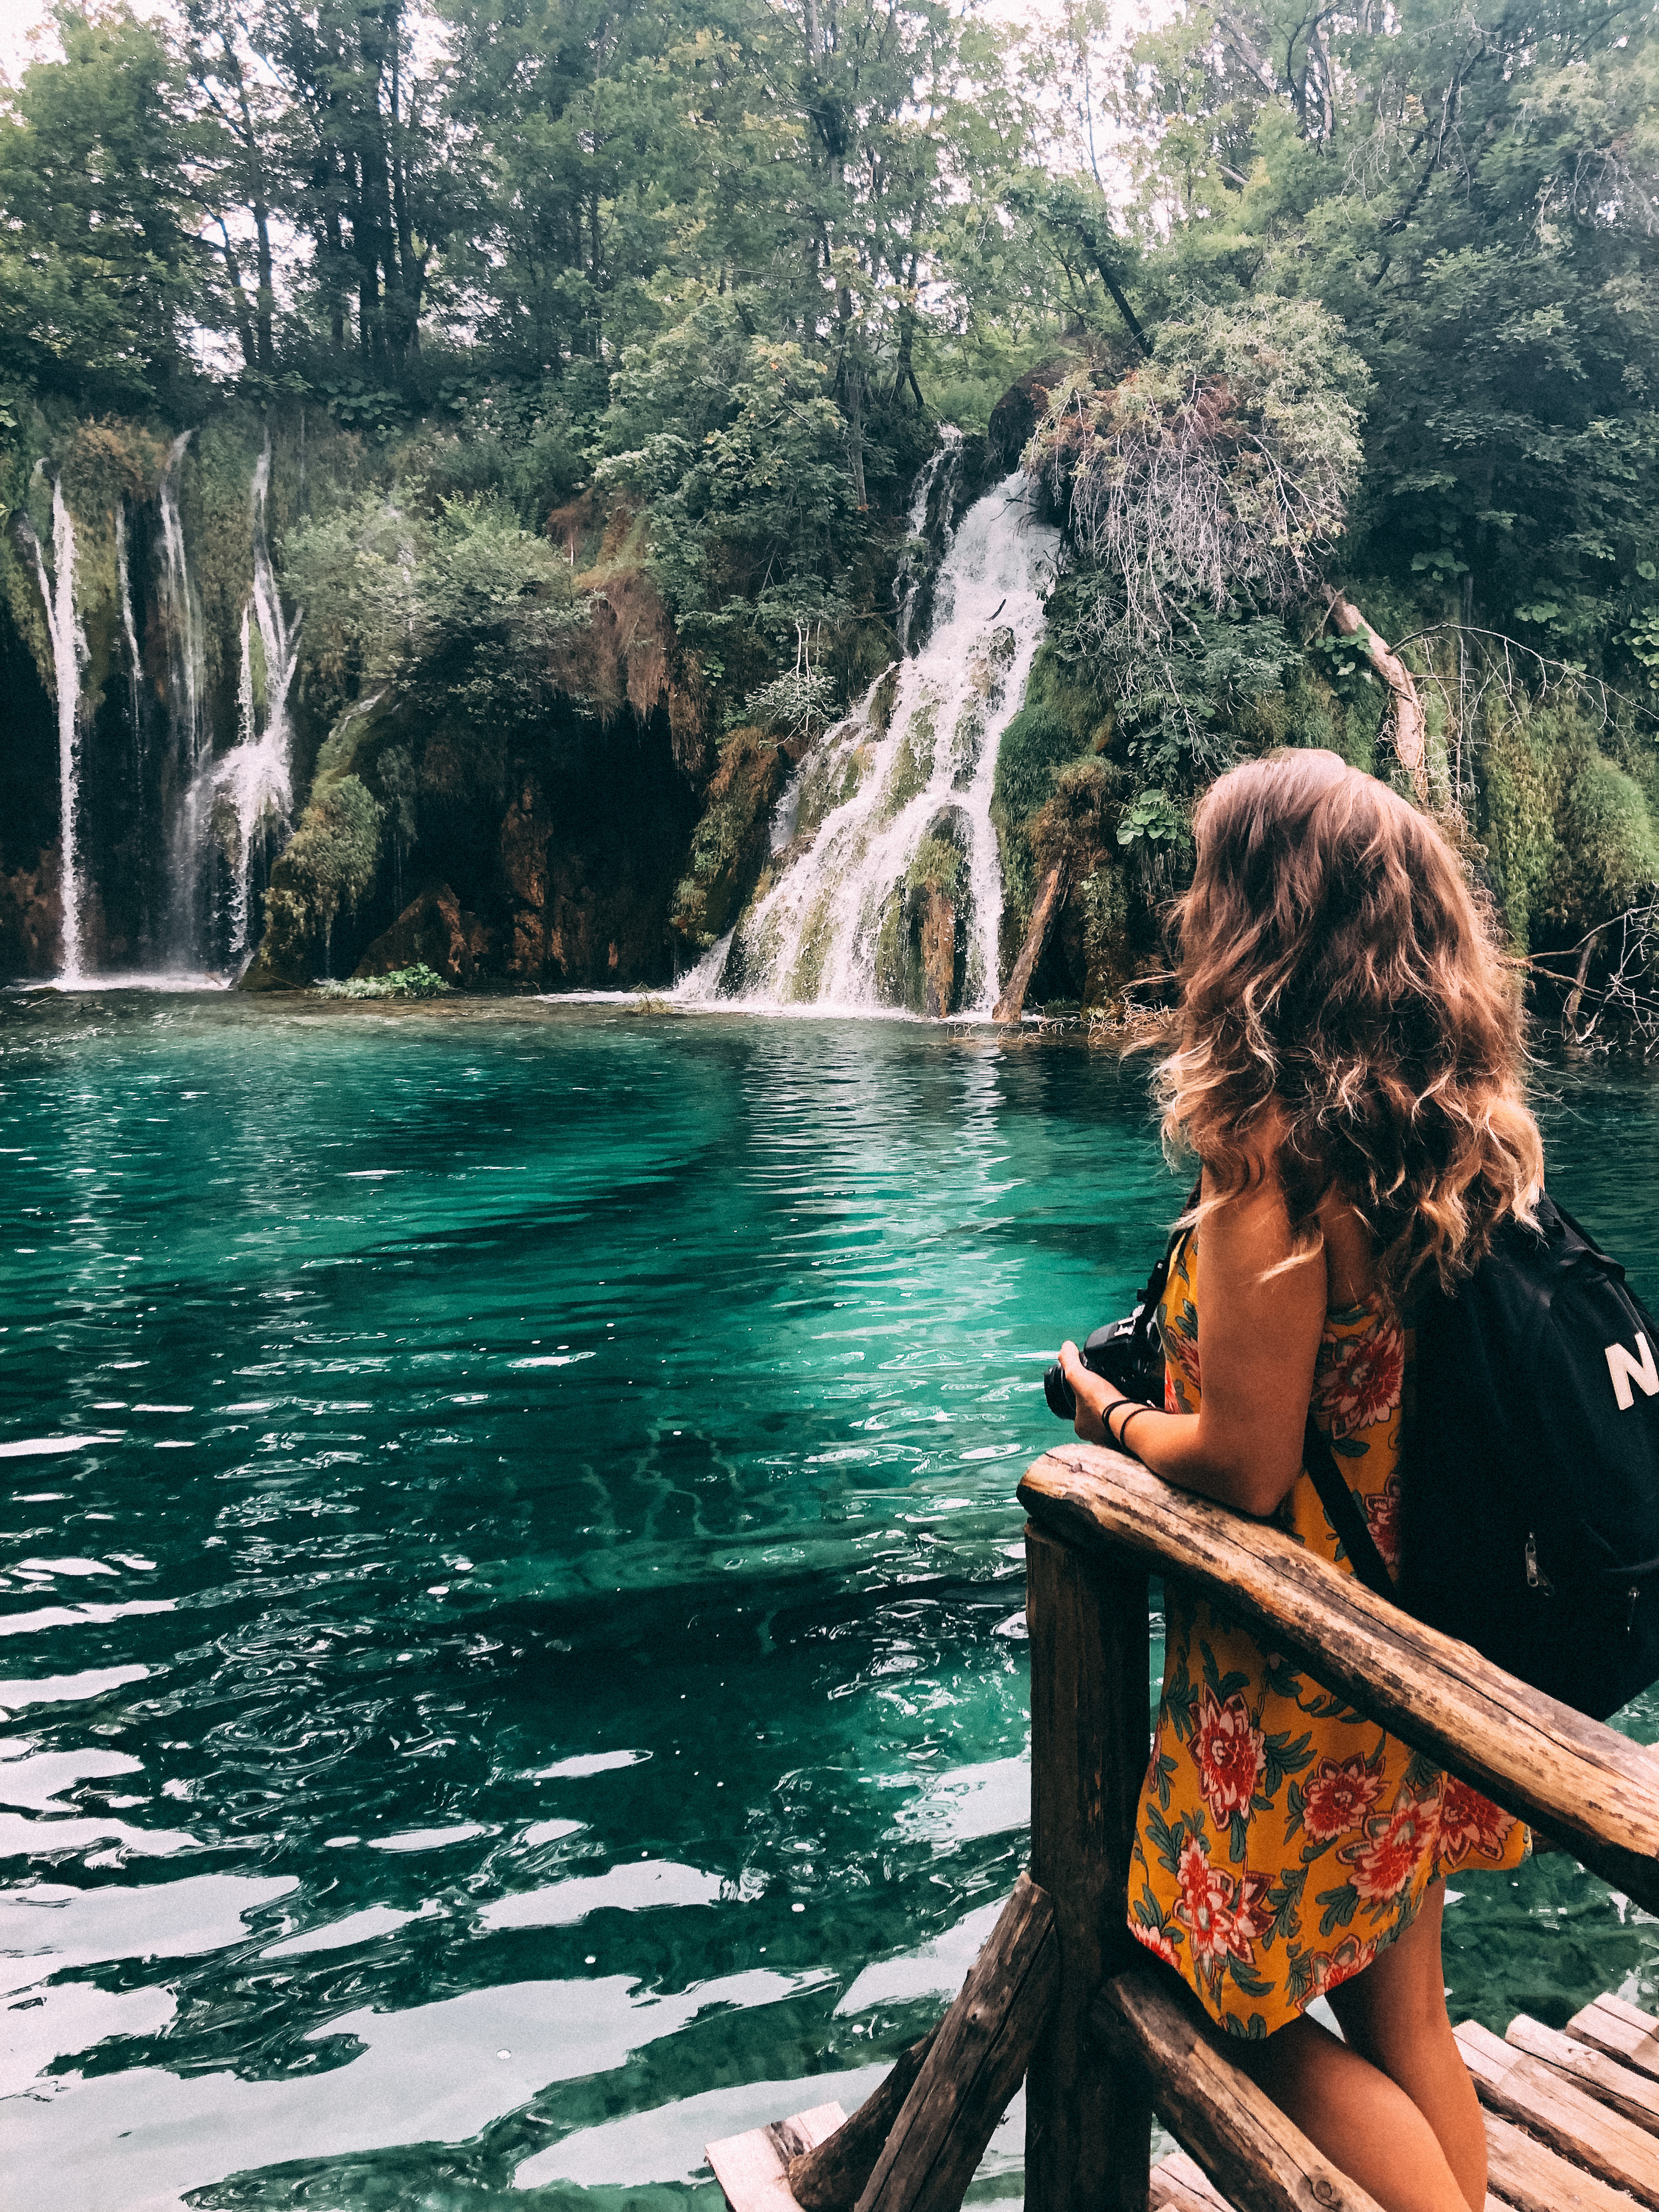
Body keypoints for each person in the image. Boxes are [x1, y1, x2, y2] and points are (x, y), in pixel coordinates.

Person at [1059, 749, 1542, 2212]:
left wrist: (1105, 1415)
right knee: (1405, 2015)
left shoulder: (1265, 1152)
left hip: (1291, 1685)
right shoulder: (1453, 1133)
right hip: (1416, 1637)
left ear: (1267, 915)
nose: (1190, 904)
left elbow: (1248, 1466)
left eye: (1212, 880)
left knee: (1204, 1997)